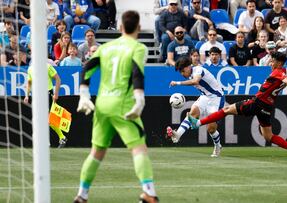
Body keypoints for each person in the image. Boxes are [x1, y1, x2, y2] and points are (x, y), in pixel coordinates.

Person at [73, 10, 158, 203]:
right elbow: (136, 73)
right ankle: (149, 193)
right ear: (138, 28)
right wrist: (140, 99)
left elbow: (86, 68)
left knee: (96, 152)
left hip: (102, 105)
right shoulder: (138, 48)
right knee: (138, 148)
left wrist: (84, 95)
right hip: (124, 105)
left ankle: (82, 194)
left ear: (120, 27)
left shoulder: (105, 47)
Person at [187, 52, 287, 160]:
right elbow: (285, 80)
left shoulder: (279, 72)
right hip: (267, 107)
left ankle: (197, 123)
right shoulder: (281, 72)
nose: (271, 63)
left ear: (280, 63)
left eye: (273, 61)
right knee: (268, 136)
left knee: (226, 109)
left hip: (257, 103)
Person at [167, 57, 225, 157]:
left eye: (182, 71)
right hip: (205, 97)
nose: (182, 74)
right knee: (193, 112)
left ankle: (217, 145)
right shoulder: (190, 75)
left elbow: (196, 81)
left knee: (211, 129)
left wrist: (177, 83)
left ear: (188, 67)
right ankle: (177, 135)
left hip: (217, 98)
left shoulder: (198, 70)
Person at [24, 63, 68, 148]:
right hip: (37, 95)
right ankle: (61, 138)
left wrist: (56, 94)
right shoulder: (30, 69)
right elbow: (29, 83)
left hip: (47, 94)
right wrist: (27, 95)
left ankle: (53, 140)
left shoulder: (47, 66)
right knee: (42, 119)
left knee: (47, 118)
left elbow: (58, 79)